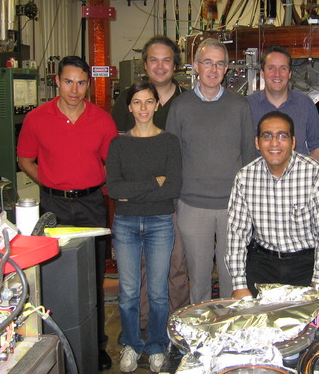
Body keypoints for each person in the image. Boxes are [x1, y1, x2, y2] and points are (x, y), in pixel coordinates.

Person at [17, 55, 118, 371]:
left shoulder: (102, 120)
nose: (75, 89)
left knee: (94, 277)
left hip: (90, 205)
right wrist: (48, 182)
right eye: (68, 81)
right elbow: (25, 159)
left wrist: (92, 181)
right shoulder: (37, 119)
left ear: (88, 84)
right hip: (54, 207)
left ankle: (97, 344)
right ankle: (56, 341)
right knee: (54, 276)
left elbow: (110, 163)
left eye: (81, 82)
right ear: (57, 82)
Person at [166, 37, 255, 304]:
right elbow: (172, 157)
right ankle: (200, 335)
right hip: (192, 206)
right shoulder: (180, 107)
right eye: (207, 63)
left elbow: (249, 157)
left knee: (233, 278)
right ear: (196, 66)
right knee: (199, 279)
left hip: (233, 207)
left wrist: (247, 203)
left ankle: (230, 334)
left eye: (219, 64)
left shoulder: (240, 106)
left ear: (227, 68)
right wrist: (175, 202)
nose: (213, 70)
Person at [111, 35, 190, 326]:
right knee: (139, 270)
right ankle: (143, 325)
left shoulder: (188, 101)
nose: (160, 66)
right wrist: (136, 189)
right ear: (145, 64)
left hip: (177, 198)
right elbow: (117, 151)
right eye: (153, 60)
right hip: (135, 203)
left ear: (175, 65)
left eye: (166, 59)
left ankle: (177, 325)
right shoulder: (126, 102)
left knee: (176, 266)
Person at [106, 81, 182, 373]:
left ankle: (156, 345)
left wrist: (134, 190)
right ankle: (131, 343)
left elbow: (173, 186)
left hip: (160, 222)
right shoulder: (119, 143)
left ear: (157, 105)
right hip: (125, 223)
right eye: (137, 102)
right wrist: (154, 182)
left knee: (158, 291)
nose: (143, 108)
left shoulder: (169, 142)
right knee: (127, 291)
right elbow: (114, 188)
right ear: (129, 107)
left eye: (149, 101)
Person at [226, 111, 319, 298]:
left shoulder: (314, 175)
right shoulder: (245, 178)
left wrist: (318, 283)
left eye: (282, 136)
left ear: (293, 142)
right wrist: (239, 283)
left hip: (306, 265)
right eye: (267, 136)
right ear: (257, 143)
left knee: (309, 325)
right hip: (263, 263)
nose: (274, 143)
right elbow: (237, 233)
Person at [247, 45, 319, 161]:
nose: (277, 74)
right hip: (259, 178)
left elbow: (317, 146)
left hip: (298, 177)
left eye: (283, 68)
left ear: (289, 74)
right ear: (262, 73)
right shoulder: (247, 106)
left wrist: (310, 176)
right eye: (271, 68)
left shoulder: (305, 104)